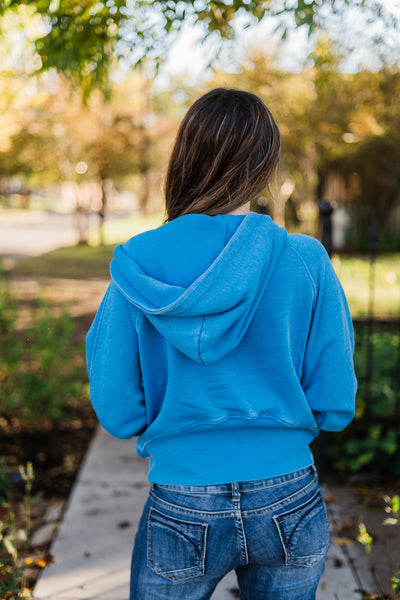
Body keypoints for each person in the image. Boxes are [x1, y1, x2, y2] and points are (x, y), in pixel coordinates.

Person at [86, 88, 357, 600]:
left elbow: (117, 407)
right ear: (265, 164)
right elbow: (335, 400)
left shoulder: (137, 265)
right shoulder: (305, 260)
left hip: (183, 493)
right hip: (288, 491)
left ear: (185, 158)